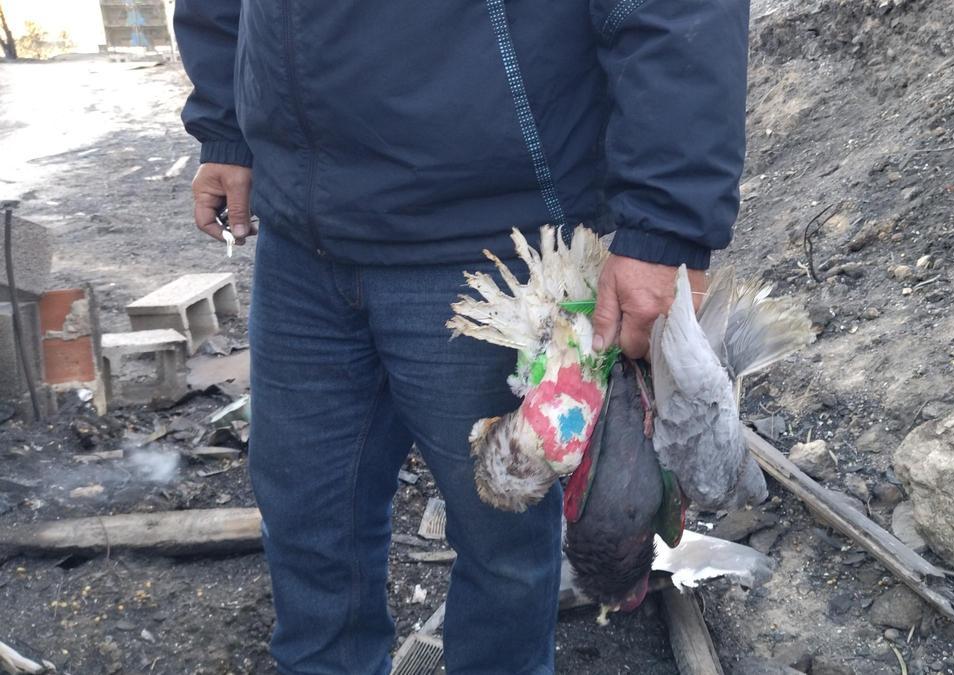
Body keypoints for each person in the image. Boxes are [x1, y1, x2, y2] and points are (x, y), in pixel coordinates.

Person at [174, 1, 749, 672]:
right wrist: (226, 128)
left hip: (489, 241)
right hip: (302, 247)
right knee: (307, 529)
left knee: (503, 544)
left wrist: (666, 223)